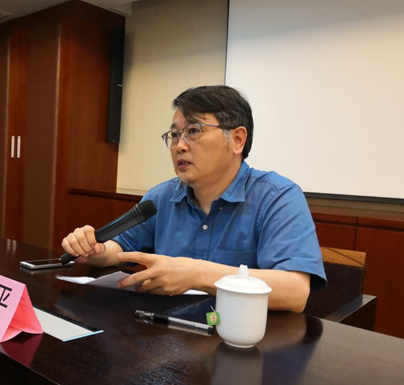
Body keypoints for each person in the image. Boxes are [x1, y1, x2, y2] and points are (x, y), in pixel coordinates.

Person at [61, 85, 326, 312]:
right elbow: (120, 249)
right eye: (175, 134)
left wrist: (196, 274)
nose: (180, 145)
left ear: (237, 140)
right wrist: (95, 251)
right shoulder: (162, 197)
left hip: (241, 341)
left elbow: (295, 292)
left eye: (193, 131)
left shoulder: (277, 197)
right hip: (165, 335)